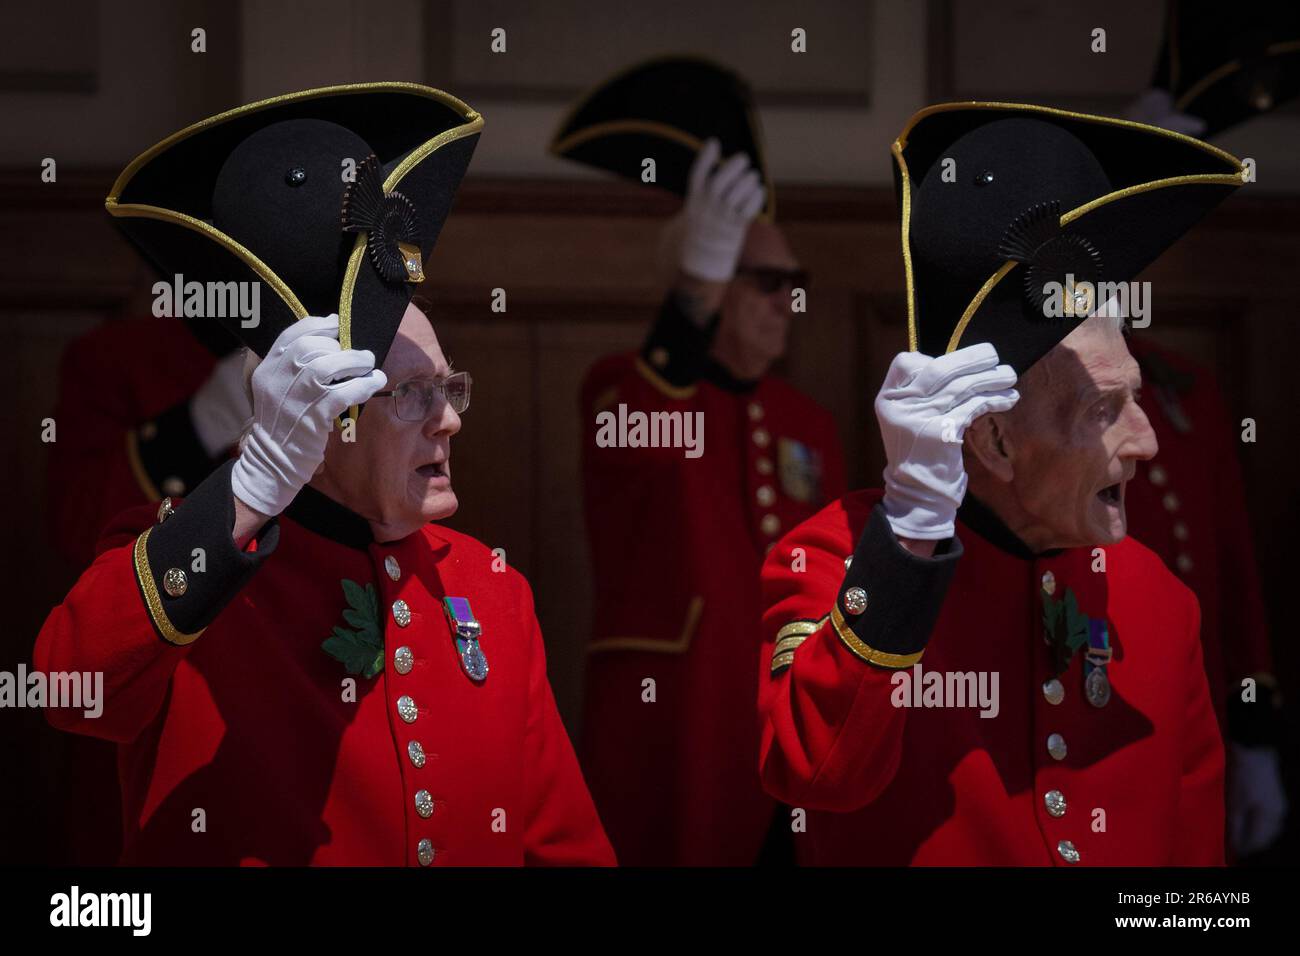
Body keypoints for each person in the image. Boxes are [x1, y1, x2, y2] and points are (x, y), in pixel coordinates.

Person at [34, 83, 613, 866]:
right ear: (322, 419)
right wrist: (251, 483)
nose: (451, 420)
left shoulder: (494, 589)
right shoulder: (190, 563)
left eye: (451, 387)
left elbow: (562, 847)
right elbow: (75, 690)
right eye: (411, 394)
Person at [759, 102, 1246, 864]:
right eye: (1103, 411)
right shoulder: (833, 556)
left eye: (1137, 400)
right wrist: (910, 541)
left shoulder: (1161, 602)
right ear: (993, 440)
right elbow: (817, 774)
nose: (1146, 443)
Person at [577, 141, 844, 865]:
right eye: (764, 280)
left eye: (796, 281)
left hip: (794, 719)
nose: (787, 300)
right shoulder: (626, 389)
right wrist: (690, 296)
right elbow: (634, 438)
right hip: (680, 719)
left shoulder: (808, 423)